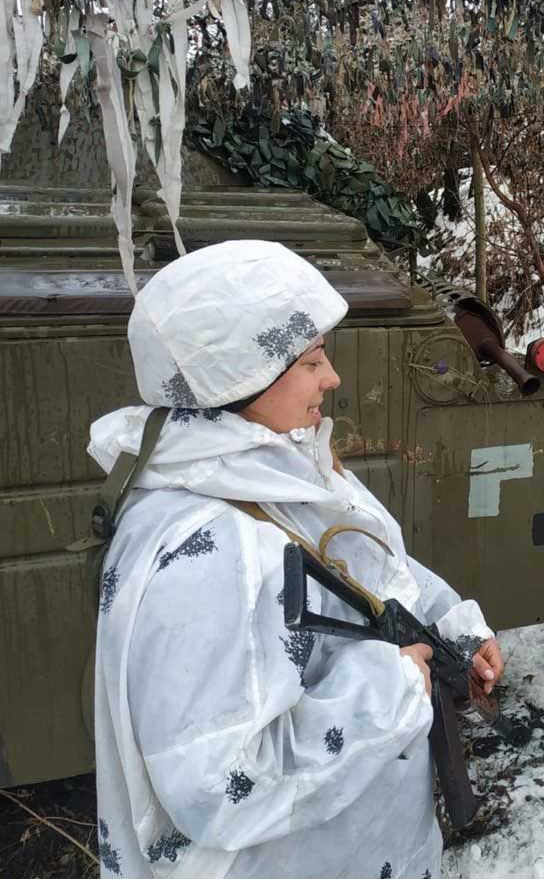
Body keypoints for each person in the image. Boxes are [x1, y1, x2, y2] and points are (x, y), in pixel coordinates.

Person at [89, 239, 504, 879]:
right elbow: (216, 784)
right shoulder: (211, 548)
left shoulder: (276, 464)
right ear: (241, 378)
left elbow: (359, 565)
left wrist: (450, 625)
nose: (332, 378)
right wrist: (388, 691)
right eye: (312, 361)